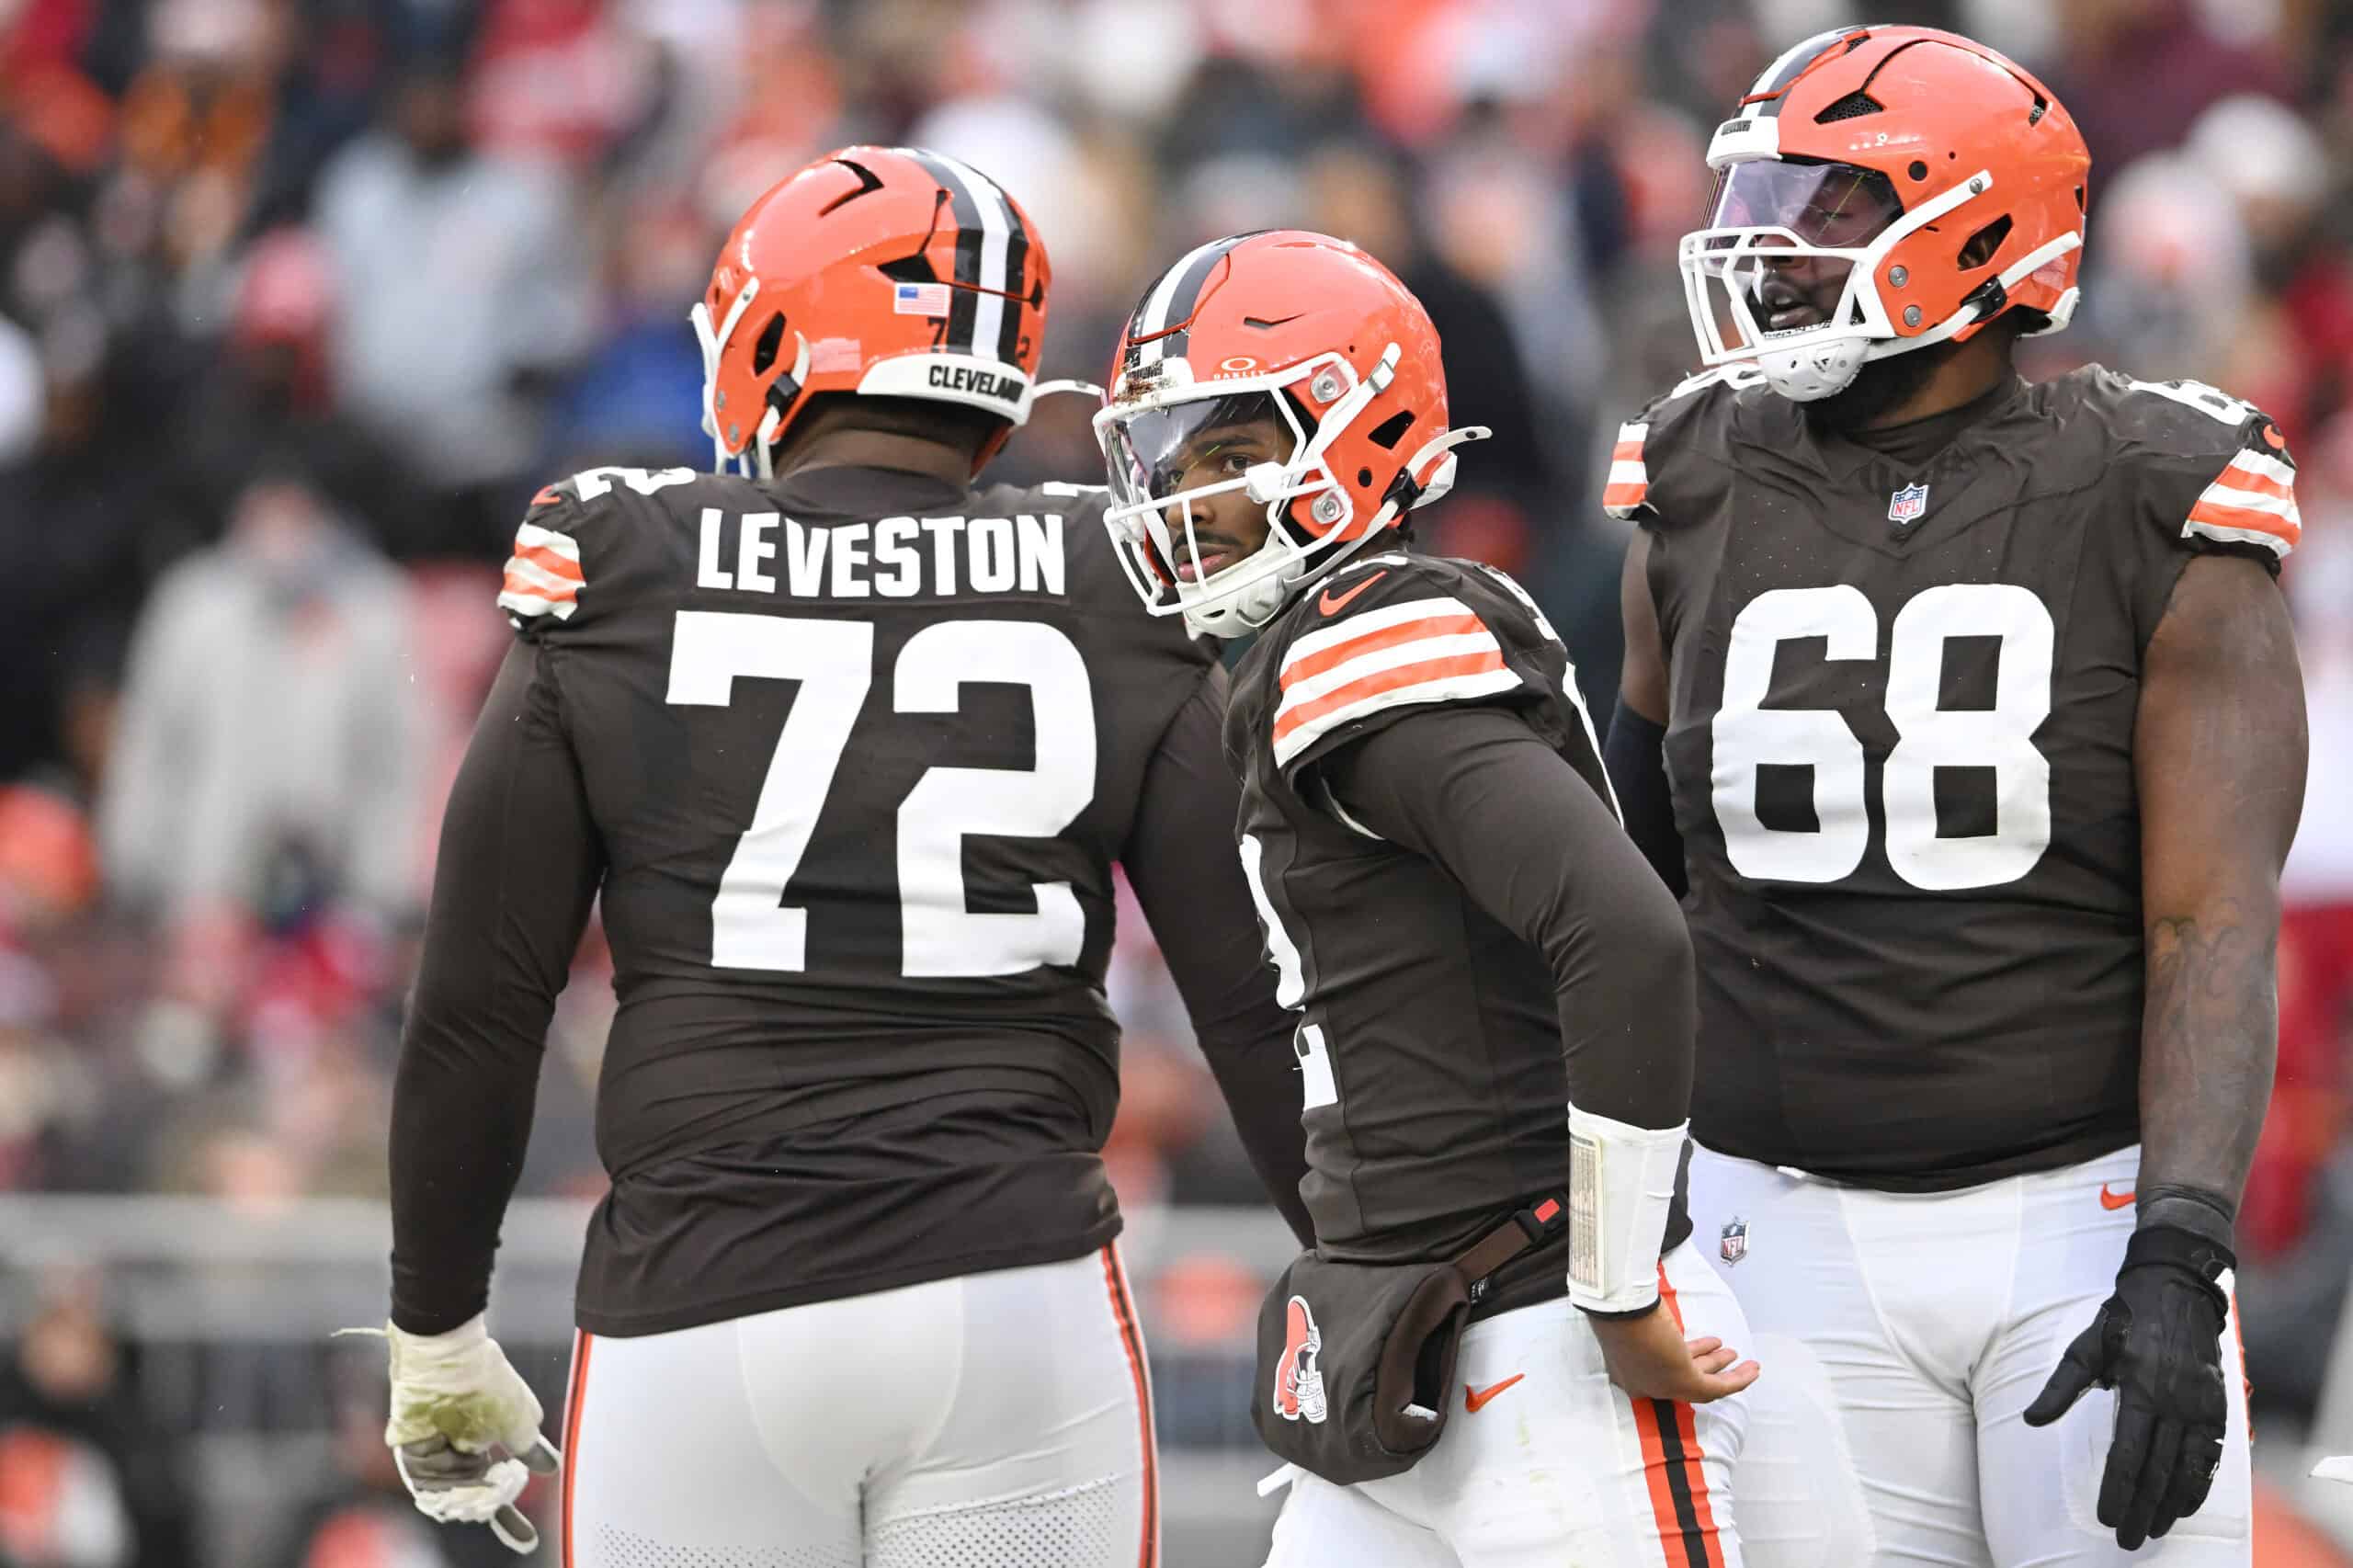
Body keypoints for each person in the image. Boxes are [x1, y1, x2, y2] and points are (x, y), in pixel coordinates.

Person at [367, 145, 1316, 1568]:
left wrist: (437, 1320)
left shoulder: (622, 560)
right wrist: (1373, 1253)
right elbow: (1252, 995)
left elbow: (479, 1004)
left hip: (700, 1301)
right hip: (1017, 1296)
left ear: (772, 336)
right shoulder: (1114, 573)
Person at [1602, 25, 2305, 1566]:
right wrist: (1606, 1225)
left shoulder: (2157, 487)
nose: (1772, 241)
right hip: (1772, 1217)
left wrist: (2182, 1247)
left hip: (2083, 1217)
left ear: (1978, 228)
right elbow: (1623, 898)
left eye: (1829, 202)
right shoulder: (1693, 477)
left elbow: (2212, 919)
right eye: (1770, 192)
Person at [1095, 228, 1756, 1567]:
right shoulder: (1303, 648)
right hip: (1401, 1339)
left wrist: (1621, 1283)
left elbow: (1626, 935)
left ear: (1357, 440)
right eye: (1171, 460)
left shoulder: (1370, 642)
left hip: (1548, 1338)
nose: (1186, 499)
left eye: (1229, 456)